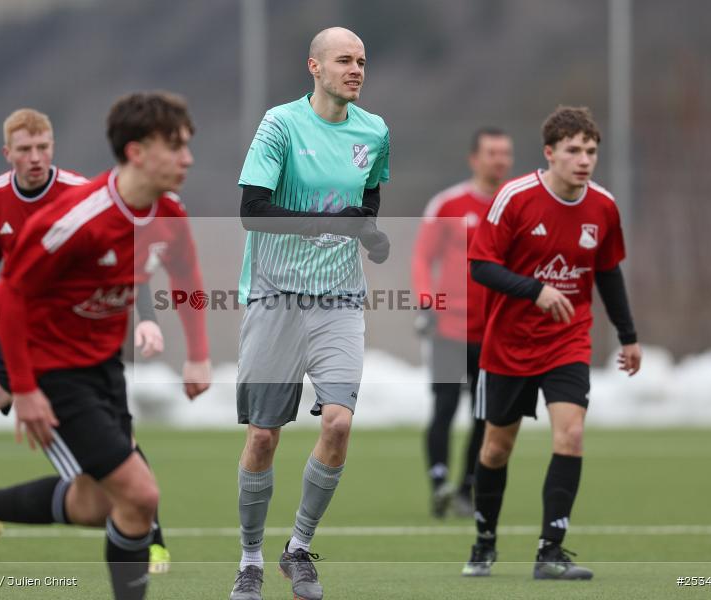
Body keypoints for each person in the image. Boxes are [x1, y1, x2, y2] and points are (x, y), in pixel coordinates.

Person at [0, 91, 211, 600]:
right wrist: (27, 389)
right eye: (175, 146)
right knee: (140, 494)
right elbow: (10, 292)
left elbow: (187, 276)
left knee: (97, 504)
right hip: (54, 372)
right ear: (137, 152)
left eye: (188, 146)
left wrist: (198, 354)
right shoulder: (79, 218)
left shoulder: (168, 213)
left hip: (104, 368)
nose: (188, 158)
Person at [229, 27, 390, 600]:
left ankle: (298, 549)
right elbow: (252, 211)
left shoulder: (375, 132)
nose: (356, 69)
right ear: (314, 67)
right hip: (275, 296)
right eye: (344, 60)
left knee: (338, 423)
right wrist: (331, 223)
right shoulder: (280, 125)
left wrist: (367, 231)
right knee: (264, 437)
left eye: (362, 61)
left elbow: (368, 196)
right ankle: (249, 559)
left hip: (339, 300)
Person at [462, 106, 641, 580]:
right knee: (497, 448)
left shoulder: (603, 206)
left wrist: (628, 336)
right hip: (508, 345)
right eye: (573, 150)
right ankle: (485, 540)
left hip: (567, 342)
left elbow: (607, 271)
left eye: (591, 151)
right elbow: (480, 265)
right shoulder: (515, 197)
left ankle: (550, 552)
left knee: (572, 434)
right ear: (550, 153)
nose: (584, 160)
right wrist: (535, 289)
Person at [412, 128, 514, 519]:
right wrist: (426, 303)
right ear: (475, 158)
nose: (499, 160)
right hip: (450, 329)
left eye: (505, 153)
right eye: (492, 152)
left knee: (485, 414)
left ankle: (468, 489)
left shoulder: (517, 205)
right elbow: (423, 258)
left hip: (496, 333)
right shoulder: (449, 204)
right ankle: (439, 484)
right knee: (445, 407)